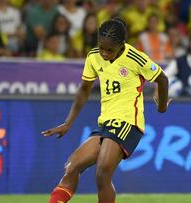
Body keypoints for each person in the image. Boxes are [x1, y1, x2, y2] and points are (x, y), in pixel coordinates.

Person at [42, 18, 170, 203]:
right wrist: (68, 123)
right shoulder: (93, 56)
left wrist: (162, 107)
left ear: (121, 45)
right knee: (71, 166)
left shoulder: (136, 58)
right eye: (101, 47)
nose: (103, 53)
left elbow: (162, 79)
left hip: (128, 123)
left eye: (109, 50)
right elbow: (84, 89)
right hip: (106, 123)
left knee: (102, 173)